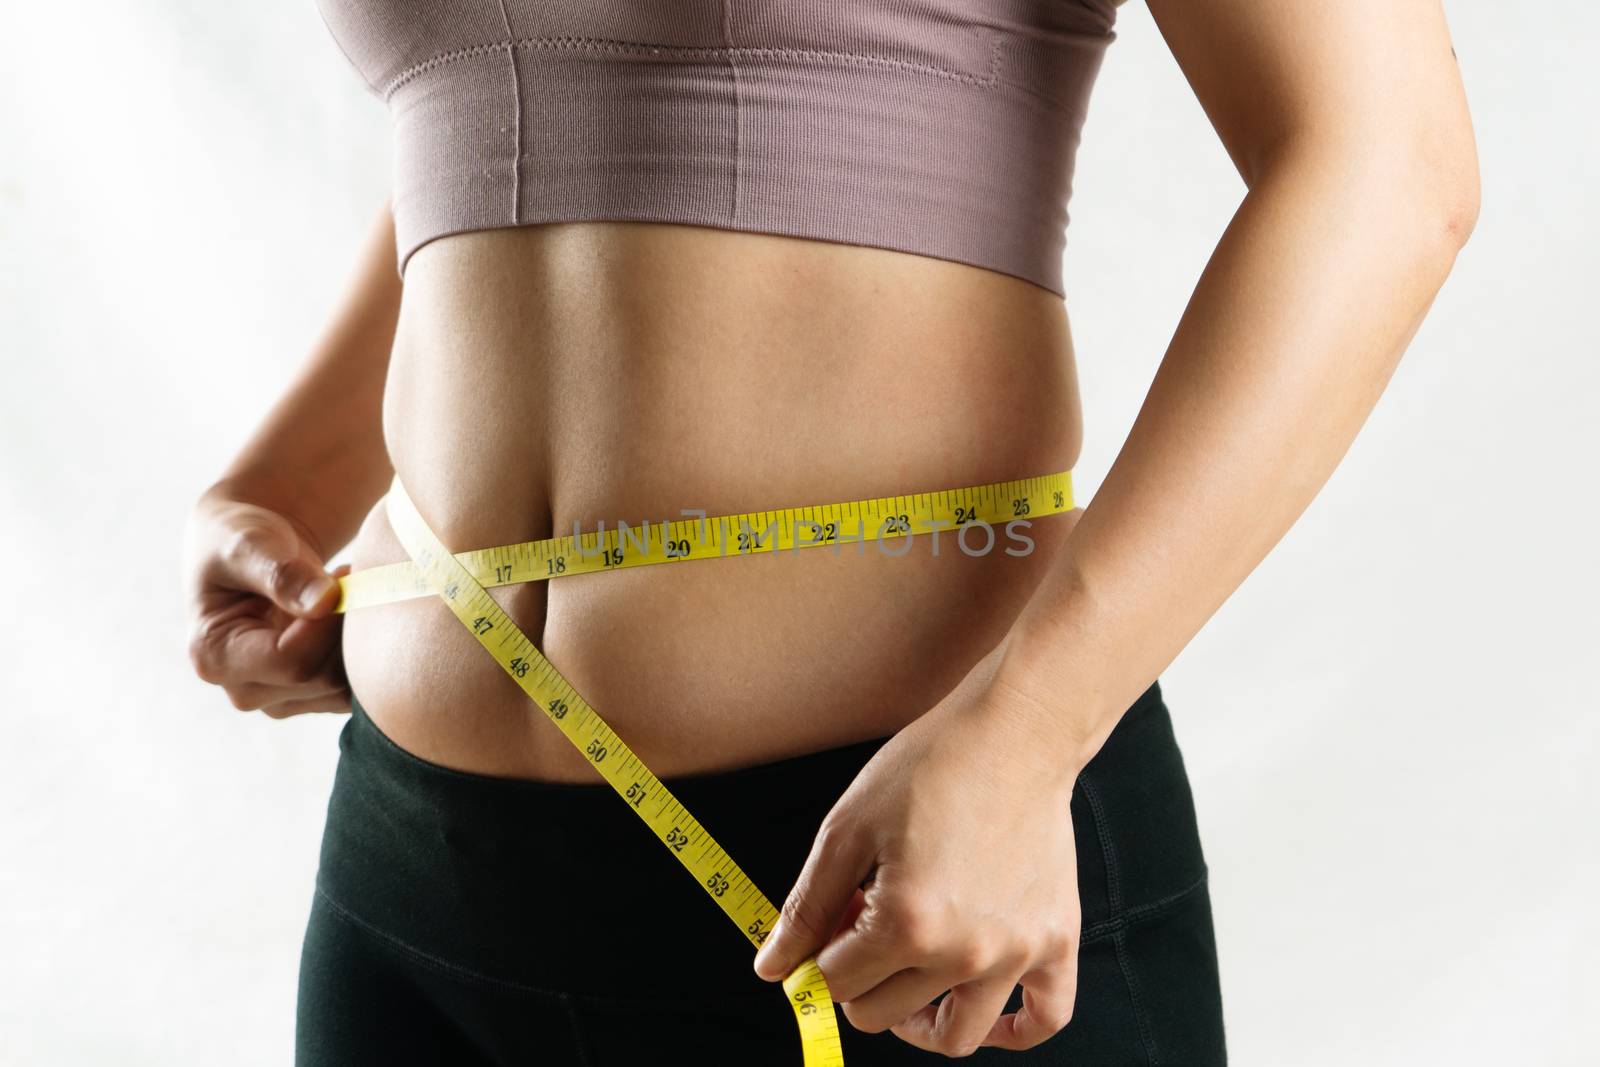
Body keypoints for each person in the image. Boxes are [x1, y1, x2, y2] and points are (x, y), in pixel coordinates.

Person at [183, 1, 1477, 1063]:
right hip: (414, 889)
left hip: (903, 879)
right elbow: (510, 106)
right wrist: (283, 483)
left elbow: (1391, 163)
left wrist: (1024, 741)